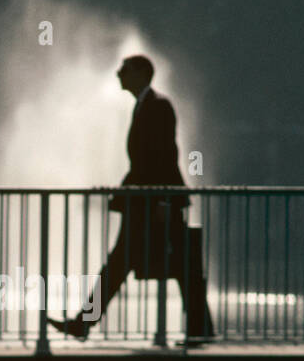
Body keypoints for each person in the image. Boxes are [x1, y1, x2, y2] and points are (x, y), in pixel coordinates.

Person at [48, 55, 213, 343]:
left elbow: (165, 156)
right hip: (146, 204)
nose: (118, 74)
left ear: (141, 73)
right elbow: (147, 162)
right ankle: (84, 323)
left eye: (124, 70)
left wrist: (163, 200)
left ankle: (84, 323)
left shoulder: (158, 106)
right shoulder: (146, 106)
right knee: (166, 266)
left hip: (155, 204)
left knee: (175, 267)